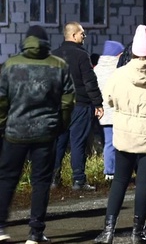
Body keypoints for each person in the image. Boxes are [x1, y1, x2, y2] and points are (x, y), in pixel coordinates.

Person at [94, 25, 146, 244]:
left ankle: (108, 232)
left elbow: (110, 99)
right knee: (143, 184)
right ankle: (138, 233)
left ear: (133, 52)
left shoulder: (119, 73)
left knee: (120, 181)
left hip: (125, 135)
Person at [0, 26, 75, 243]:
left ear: (26, 41)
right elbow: (68, 100)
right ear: (46, 42)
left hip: (15, 132)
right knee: (41, 181)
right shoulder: (59, 65)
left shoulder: (10, 65)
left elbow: (2, 100)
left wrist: (3, 126)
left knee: (6, 179)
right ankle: (35, 232)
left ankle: (1, 227)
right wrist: (61, 125)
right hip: (46, 133)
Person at [52, 22, 104, 191]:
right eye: (82, 34)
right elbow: (90, 82)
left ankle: (53, 179)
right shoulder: (82, 55)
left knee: (58, 143)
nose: (84, 37)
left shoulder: (54, 56)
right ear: (73, 35)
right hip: (80, 105)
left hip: (59, 106)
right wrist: (98, 103)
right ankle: (78, 180)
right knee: (78, 143)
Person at [94, 40, 125, 181]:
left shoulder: (97, 68)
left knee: (108, 142)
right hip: (117, 110)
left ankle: (109, 172)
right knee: (120, 142)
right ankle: (118, 170)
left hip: (103, 112)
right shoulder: (119, 68)